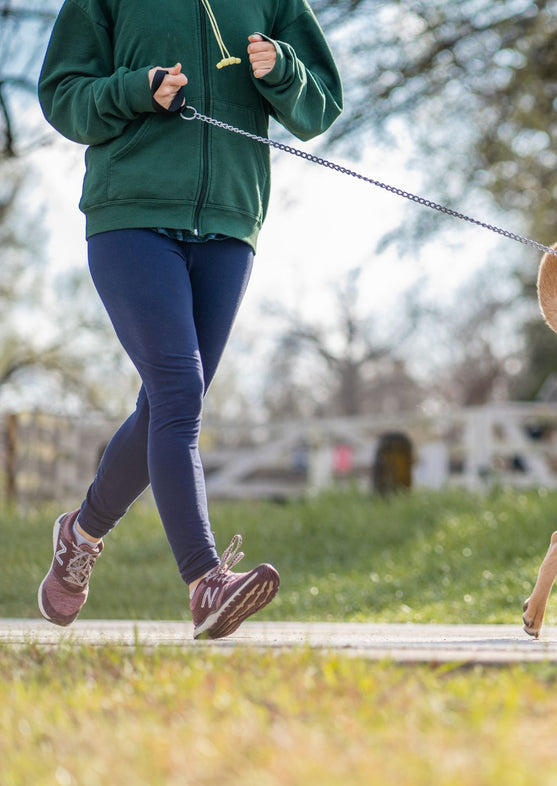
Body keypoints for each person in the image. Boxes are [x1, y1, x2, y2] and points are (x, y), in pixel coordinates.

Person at [36, 0, 342, 639]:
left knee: (166, 405)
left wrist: (282, 68)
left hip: (230, 223)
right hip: (131, 217)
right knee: (179, 395)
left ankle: (81, 533)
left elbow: (319, 108)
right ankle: (206, 581)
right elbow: (63, 95)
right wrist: (135, 89)